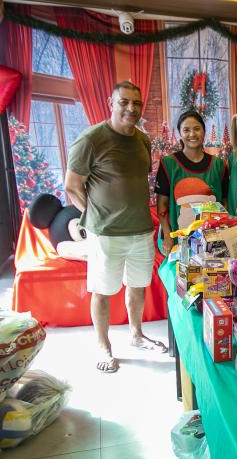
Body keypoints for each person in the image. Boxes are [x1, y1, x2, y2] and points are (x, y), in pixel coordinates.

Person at [64, 81, 167, 373]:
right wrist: (95, 217)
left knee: (137, 286)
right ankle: (103, 346)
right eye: (124, 102)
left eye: (136, 103)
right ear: (111, 103)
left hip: (141, 230)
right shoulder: (91, 139)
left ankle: (136, 335)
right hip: (106, 234)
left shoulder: (143, 140)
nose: (131, 109)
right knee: (103, 290)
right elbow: (72, 186)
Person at [155, 110, 228, 254]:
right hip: (177, 238)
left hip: (211, 240)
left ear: (204, 131)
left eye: (197, 129)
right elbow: (162, 204)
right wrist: (168, 235)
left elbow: (224, 202)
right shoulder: (168, 164)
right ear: (179, 134)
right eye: (186, 130)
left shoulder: (219, 165)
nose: (192, 134)